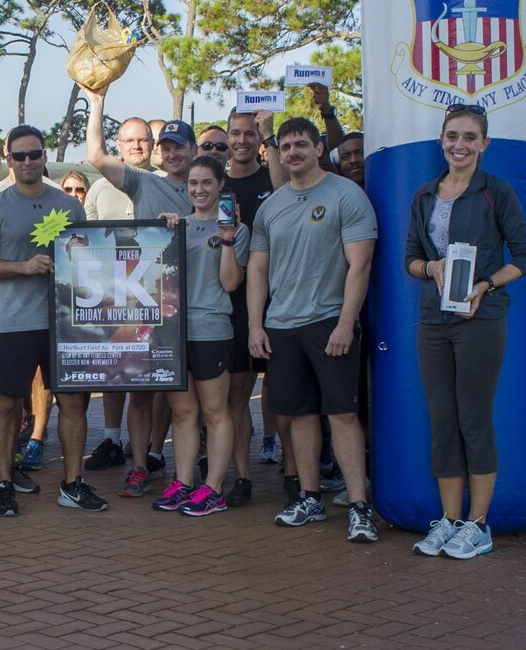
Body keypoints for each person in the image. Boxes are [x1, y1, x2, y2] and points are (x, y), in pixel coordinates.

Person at [403, 105, 526, 560]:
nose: (459, 145)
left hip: (480, 318)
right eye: (452, 136)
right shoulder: (424, 195)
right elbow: (410, 260)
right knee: (442, 422)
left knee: (473, 420)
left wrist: (485, 284)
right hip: (433, 320)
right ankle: (449, 521)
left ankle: (478, 525)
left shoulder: (497, 192)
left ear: (484, 144)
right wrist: (430, 266)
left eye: (469, 137)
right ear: (441, 140)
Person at [247, 118, 379, 542]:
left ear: (319, 148)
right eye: (285, 147)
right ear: (278, 153)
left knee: (342, 413)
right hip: (282, 326)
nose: (293, 153)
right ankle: (309, 497)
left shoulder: (347, 195)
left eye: (301, 144)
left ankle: (359, 506)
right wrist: (256, 325)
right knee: (299, 415)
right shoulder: (270, 207)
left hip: (329, 323)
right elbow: (259, 271)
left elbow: (360, 264)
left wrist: (345, 322)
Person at [0, 125, 103, 516]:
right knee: (8, 404)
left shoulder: (70, 204)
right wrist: (22, 267)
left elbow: (91, 259)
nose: (27, 161)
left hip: (66, 322)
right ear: (9, 160)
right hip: (14, 321)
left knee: (74, 401)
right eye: (19, 156)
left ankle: (72, 483)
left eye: (34, 154)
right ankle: (4, 483)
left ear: (45, 157)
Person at [84, 90, 195, 499]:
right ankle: (141, 465)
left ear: (193, 150)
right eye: (165, 147)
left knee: (194, 400)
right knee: (142, 391)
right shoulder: (143, 182)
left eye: (179, 147)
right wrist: (96, 102)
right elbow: (96, 156)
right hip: (149, 304)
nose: (172, 154)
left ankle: (197, 472)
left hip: (198, 306)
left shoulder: (209, 186)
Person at [147, 155, 247, 517]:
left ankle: (214, 488)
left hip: (212, 328)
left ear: (221, 185)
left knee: (216, 412)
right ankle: (183, 482)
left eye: (207, 183)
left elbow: (230, 283)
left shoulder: (235, 230)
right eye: (193, 183)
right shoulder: (177, 226)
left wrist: (228, 240)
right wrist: (160, 234)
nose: (199, 190)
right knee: (183, 411)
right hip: (174, 331)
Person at [81, 114, 152, 471]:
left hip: (153, 292)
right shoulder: (98, 188)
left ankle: (151, 450)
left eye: (143, 140)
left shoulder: (163, 183)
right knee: (114, 366)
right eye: (129, 140)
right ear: (118, 146)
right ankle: (112, 439)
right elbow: (88, 240)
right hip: (110, 294)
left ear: (151, 145)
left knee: (147, 371)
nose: (137, 146)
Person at [224, 111, 282, 472]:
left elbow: (283, 190)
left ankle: (291, 470)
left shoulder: (270, 175)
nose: (242, 140)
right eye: (235, 133)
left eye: (250, 133)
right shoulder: (217, 185)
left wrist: (270, 136)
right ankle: (241, 476)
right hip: (233, 301)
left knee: (282, 390)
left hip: (277, 297)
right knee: (236, 395)